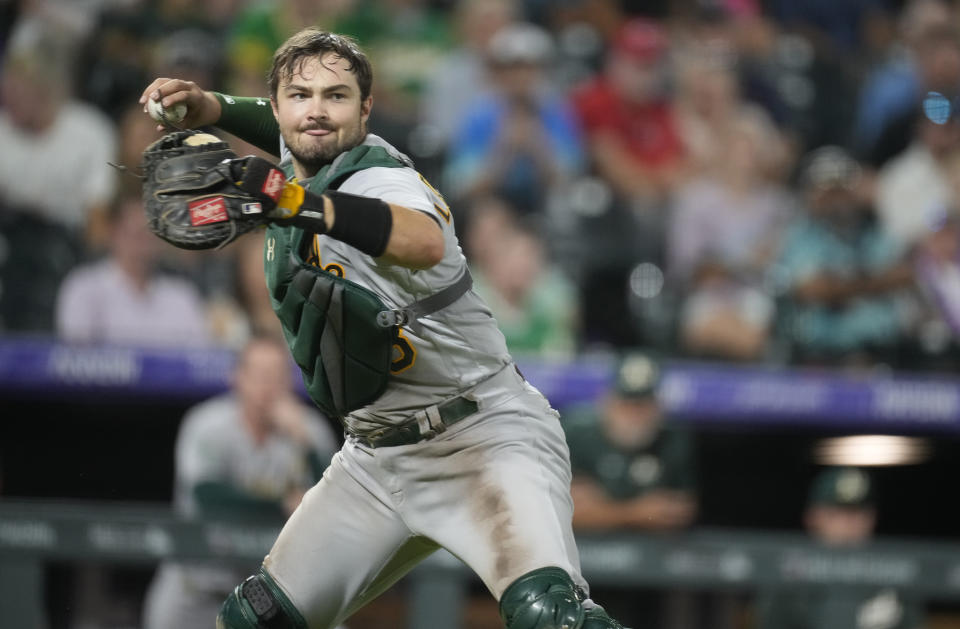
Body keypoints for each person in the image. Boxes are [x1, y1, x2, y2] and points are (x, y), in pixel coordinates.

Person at [139, 27, 630, 629]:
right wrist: (212, 107)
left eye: (337, 96)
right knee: (256, 622)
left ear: (366, 109)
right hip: (375, 459)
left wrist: (297, 204)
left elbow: (422, 240)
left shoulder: (380, 176)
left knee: (551, 617)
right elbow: (295, 129)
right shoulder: (303, 153)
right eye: (299, 95)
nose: (316, 111)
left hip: (481, 436)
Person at [142, 334, 339, 629]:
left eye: (276, 376)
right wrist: (281, 505)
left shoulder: (307, 430)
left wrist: (307, 446)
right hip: (197, 590)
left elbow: (335, 504)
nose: (267, 386)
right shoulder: (207, 424)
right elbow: (206, 496)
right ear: (237, 378)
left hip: (272, 599)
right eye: (259, 375)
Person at [562, 351, 697, 628]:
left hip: (650, 574)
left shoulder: (672, 439)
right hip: (579, 570)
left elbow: (678, 513)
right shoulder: (578, 430)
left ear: (658, 404)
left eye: (643, 404)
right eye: (627, 402)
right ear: (608, 400)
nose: (634, 413)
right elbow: (569, 512)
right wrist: (637, 512)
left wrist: (602, 509)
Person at [754, 466, 926, 629]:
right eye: (835, 514)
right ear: (812, 518)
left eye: (857, 514)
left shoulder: (894, 577)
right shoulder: (788, 580)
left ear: (872, 518)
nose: (848, 525)